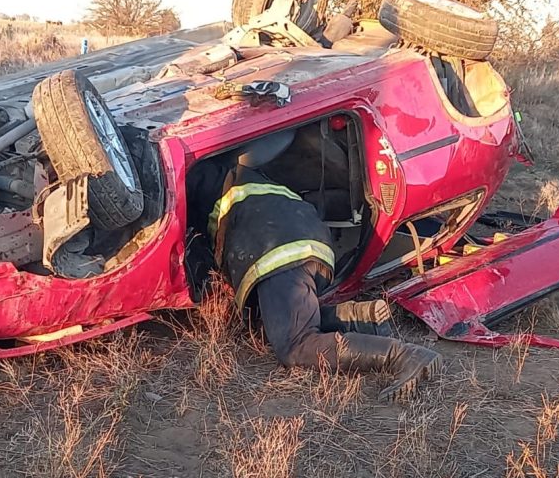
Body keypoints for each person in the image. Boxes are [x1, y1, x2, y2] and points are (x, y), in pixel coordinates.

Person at [187, 140, 443, 401]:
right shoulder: (228, 171)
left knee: (295, 346)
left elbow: (191, 254)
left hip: (277, 249)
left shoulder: (187, 183)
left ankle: (401, 356)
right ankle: (357, 318)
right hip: (314, 241)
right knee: (270, 322)